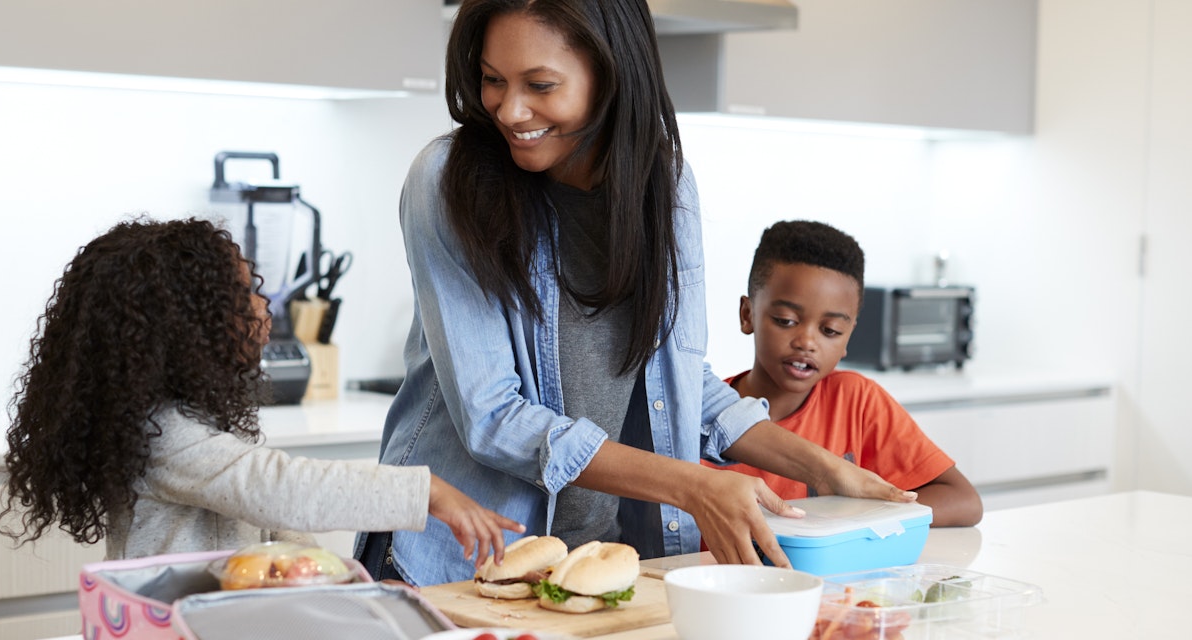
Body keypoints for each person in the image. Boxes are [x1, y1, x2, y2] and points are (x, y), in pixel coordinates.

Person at [356, 0, 914, 588]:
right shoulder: (446, 182)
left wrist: (823, 469)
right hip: (458, 563)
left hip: (600, 564)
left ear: (611, 73)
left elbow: (678, 377)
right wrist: (694, 485)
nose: (510, 110)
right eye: (493, 80)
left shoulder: (664, 187)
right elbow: (493, 417)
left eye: (540, 85)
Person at [0, 217, 523, 569]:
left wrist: (326, 573)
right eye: (246, 292)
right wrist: (426, 491)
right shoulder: (161, 436)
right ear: (190, 326)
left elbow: (262, 517)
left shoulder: (192, 419)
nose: (264, 304)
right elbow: (277, 488)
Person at [705, 220, 983, 527]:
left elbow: (963, 500)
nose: (807, 342)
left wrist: (844, 523)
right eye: (786, 320)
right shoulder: (702, 420)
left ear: (848, 337)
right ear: (748, 315)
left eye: (830, 330)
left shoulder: (858, 402)